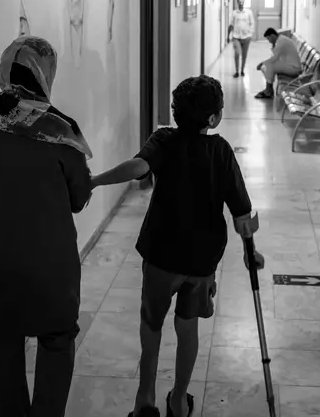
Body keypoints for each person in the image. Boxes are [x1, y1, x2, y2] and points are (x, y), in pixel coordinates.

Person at [90, 75, 263, 417]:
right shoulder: (221, 151)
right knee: (188, 327)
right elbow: (242, 214)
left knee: (151, 323)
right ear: (213, 118)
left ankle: (144, 399)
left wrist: (95, 180)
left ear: (175, 112)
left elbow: (138, 167)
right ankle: (179, 400)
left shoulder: (163, 140)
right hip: (200, 262)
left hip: (161, 255)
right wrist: (250, 252)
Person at [0, 36, 93, 417]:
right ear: (46, 75)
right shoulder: (61, 131)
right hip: (49, 270)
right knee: (57, 339)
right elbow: (79, 198)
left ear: (5, 71)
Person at [254, 27, 302, 100]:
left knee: (269, 66)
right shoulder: (281, 40)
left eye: (268, 39)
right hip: (290, 65)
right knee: (268, 66)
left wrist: (262, 63)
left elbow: (274, 58)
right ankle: (268, 90)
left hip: (294, 68)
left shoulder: (281, 42)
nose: (269, 41)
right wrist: (273, 46)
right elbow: (275, 57)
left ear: (272, 36)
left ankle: (268, 92)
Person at [227, 0, 255, 78]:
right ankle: (236, 71)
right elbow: (230, 25)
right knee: (237, 53)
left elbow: (252, 23)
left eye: (242, 2)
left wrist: (250, 34)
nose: (241, 3)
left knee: (244, 55)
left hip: (246, 37)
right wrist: (228, 36)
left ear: (244, 3)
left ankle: (242, 70)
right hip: (236, 37)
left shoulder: (248, 12)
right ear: (237, 3)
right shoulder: (234, 13)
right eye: (240, 2)